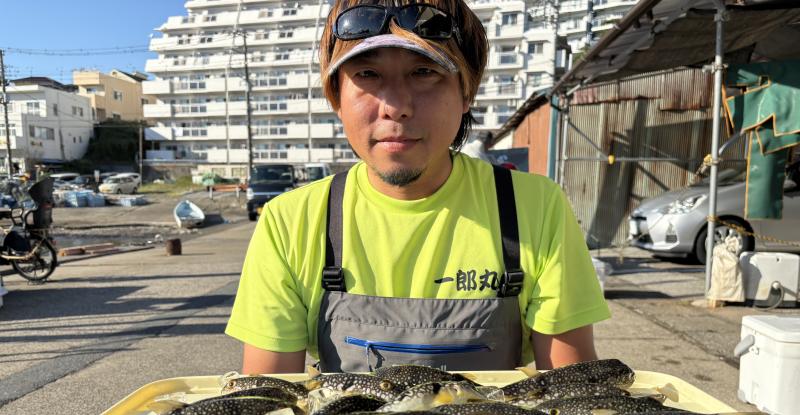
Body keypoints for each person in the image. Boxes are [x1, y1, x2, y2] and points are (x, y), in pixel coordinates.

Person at [226, 0, 610, 374]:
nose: (397, 106)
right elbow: (269, 403)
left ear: (466, 92)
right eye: (367, 75)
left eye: (425, 72)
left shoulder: (536, 208)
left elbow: (571, 393)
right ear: (335, 97)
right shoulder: (291, 220)